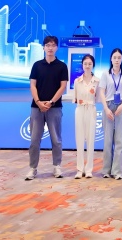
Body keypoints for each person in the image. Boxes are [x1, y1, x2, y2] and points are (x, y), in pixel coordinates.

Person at [26, 36, 69, 180]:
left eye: (53, 45)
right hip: (36, 107)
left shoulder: (62, 66)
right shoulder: (37, 65)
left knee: (56, 140)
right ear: (43, 47)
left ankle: (57, 166)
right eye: (48, 45)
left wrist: (50, 102)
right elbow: (32, 85)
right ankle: (33, 168)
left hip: (55, 108)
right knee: (34, 140)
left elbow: (62, 87)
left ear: (57, 47)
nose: (50, 48)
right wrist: (38, 102)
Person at [99, 48, 122, 180]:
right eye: (115, 57)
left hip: (121, 106)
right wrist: (106, 108)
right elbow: (101, 92)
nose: (117, 60)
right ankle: (106, 170)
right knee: (107, 141)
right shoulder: (105, 74)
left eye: (119, 57)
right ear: (111, 59)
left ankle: (117, 171)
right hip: (108, 105)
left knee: (119, 141)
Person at [73, 54, 99, 179]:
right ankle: (79, 169)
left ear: (93, 65)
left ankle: (89, 169)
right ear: (82, 65)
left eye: (90, 64)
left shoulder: (97, 81)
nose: (87, 66)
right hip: (80, 109)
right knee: (79, 139)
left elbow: (98, 98)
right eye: (85, 64)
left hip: (91, 109)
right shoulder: (77, 81)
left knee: (90, 140)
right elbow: (75, 98)